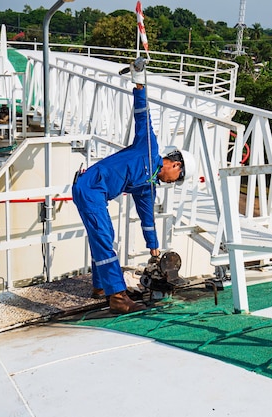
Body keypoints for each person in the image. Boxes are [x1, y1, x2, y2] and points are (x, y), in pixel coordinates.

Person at [72, 60, 195, 314]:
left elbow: (147, 218)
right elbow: (143, 115)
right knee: (105, 237)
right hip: (90, 187)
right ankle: (117, 297)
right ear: (175, 164)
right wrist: (139, 82)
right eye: (178, 178)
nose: (174, 182)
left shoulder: (148, 186)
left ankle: (100, 287)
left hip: (95, 192)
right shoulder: (148, 148)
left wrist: (154, 246)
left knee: (102, 237)